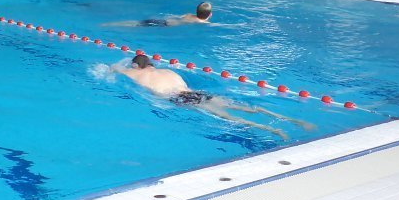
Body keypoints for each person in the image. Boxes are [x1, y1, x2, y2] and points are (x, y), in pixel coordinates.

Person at [114, 55, 312, 140]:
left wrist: (123, 65)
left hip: (179, 98)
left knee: (230, 118)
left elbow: (115, 68)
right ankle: (295, 121)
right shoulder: (167, 70)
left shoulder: (136, 74)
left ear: (136, 66)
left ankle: (274, 130)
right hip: (195, 93)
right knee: (245, 108)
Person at [105, 1, 214, 28]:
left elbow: (179, 17)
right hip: (164, 25)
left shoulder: (189, 15)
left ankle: (110, 24)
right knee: (136, 25)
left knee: (137, 23)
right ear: (210, 15)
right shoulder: (200, 22)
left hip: (163, 20)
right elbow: (205, 22)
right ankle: (111, 25)